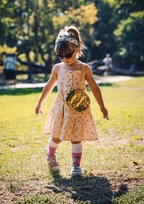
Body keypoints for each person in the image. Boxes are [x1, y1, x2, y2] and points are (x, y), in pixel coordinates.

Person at [35, 26, 109, 177]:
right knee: (56, 136)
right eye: (60, 55)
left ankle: (76, 166)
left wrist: (102, 107)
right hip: (61, 108)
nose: (65, 58)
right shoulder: (57, 68)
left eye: (68, 54)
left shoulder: (84, 68)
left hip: (78, 109)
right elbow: (49, 86)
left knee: (76, 138)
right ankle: (50, 156)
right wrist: (40, 103)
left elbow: (94, 87)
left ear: (77, 49)